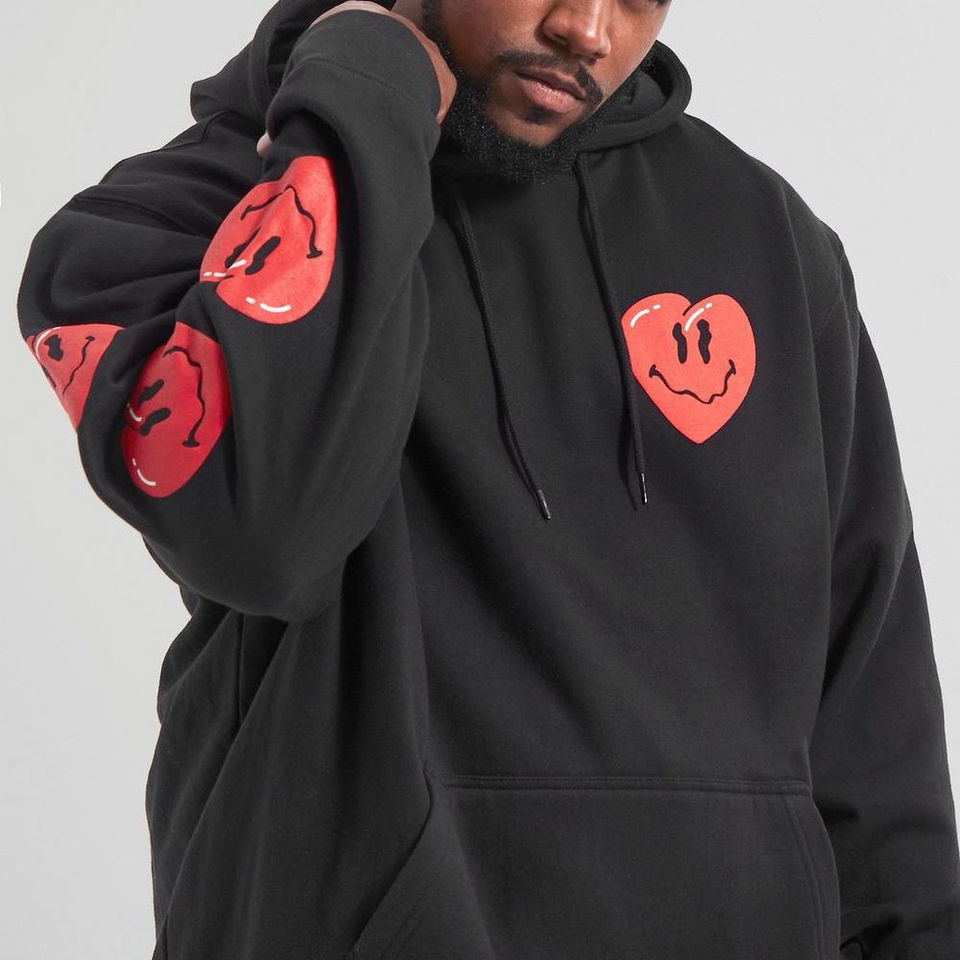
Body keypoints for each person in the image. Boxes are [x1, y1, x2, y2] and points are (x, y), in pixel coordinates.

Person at [16, 0, 960, 957]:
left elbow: (874, 712)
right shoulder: (163, 222)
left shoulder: (767, 239)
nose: (588, 29)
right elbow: (261, 536)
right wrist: (365, 97)